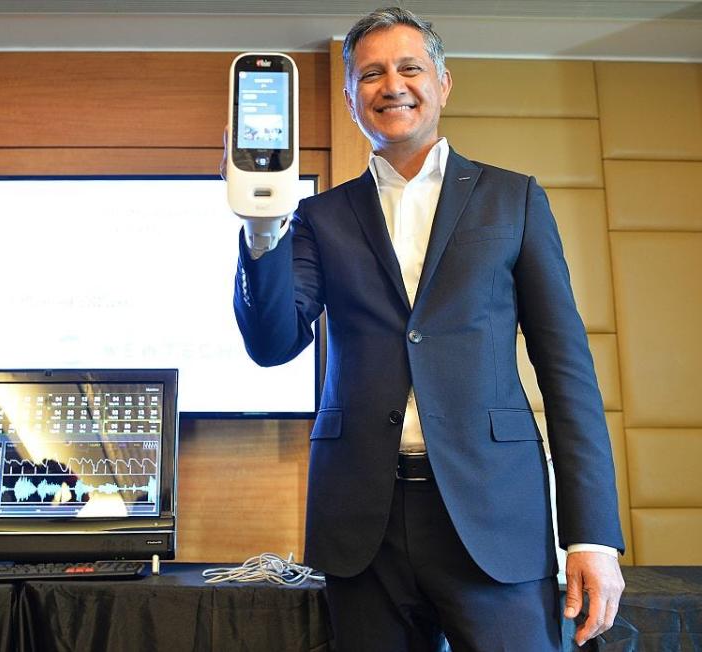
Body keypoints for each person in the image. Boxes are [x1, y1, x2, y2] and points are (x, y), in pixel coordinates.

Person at [231, 7, 625, 651]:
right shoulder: (317, 217)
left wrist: (592, 535)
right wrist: (260, 224)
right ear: (352, 96)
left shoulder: (513, 198)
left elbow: (566, 370)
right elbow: (272, 343)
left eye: (410, 68)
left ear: (443, 83)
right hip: (364, 522)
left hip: (494, 512)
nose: (392, 85)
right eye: (370, 74)